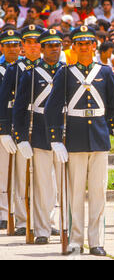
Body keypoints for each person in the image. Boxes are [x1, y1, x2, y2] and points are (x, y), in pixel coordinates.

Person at [44, 25, 114, 256]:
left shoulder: (105, 72)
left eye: (88, 43)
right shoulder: (65, 73)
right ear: (74, 47)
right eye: (80, 43)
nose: (85, 47)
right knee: (75, 193)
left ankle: (97, 241)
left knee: (98, 192)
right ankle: (75, 240)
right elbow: (52, 108)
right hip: (74, 140)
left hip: (98, 139)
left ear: (94, 45)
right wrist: (56, 139)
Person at [13, 28, 65, 244]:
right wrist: (21, 136)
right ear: (42, 49)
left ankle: (60, 226)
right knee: (42, 184)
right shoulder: (31, 73)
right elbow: (20, 107)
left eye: (58, 45)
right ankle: (42, 229)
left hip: (65, 133)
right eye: (50, 45)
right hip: (40, 132)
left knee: (64, 185)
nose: (54, 49)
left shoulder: (67, 71)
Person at [0, 25, 44, 237]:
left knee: (45, 177)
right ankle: (22, 219)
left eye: (37, 41)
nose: (33, 45)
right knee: (19, 175)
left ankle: (44, 219)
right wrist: (5, 130)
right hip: (20, 127)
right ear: (24, 46)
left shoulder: (53, 67)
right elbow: (4, 101)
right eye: (29, 42)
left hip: (42, 127)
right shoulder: (15, 69)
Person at [0, 29, 21, 231]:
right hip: (3, 123)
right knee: (2, 171)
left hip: (22, 122)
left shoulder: (26, 67)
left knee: (22, 173)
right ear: (2, 47)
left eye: (15, 45)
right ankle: (4, 213)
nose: (13, 49)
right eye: (8, 45)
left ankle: (21, 213)